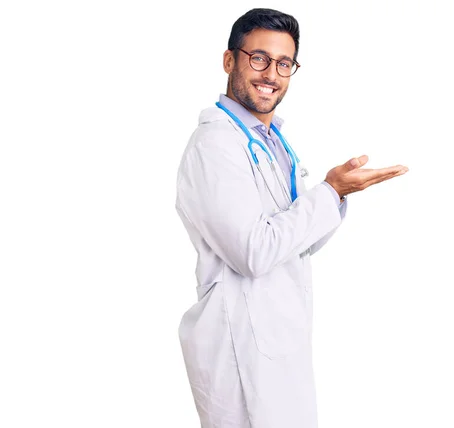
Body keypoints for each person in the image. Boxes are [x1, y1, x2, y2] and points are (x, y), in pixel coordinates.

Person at [175, 8, 408, 428]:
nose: (272, 74)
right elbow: (253, 253)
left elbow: (303, 241)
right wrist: (331, 191)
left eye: (285, 63)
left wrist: (336, 193)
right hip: (238, 346)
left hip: (279, 339)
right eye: (259, 58)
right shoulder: (215, 145)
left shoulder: (273, 141)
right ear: (230, 61)